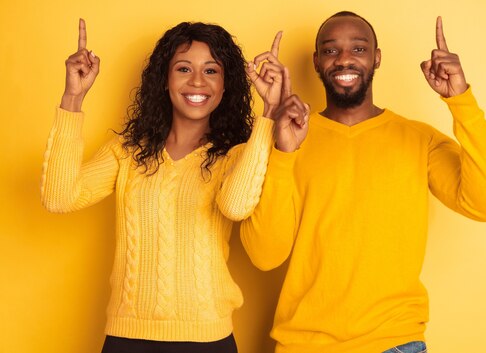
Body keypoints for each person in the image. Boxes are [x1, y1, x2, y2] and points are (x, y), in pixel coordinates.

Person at [240, 11, 486, 353]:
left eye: (358, 48)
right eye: (330, 50)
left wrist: (461, 101)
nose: (344, 59)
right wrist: (281, 152)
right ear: (316, 62)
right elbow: (264, 255)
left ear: (376, 58)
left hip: (393, 343)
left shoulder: (419, 139)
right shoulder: (289, 137)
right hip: (303, 345)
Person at [40, 19, 308, 353]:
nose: (197, 81)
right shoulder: (127, 152)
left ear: (226, 86)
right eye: (183, 68)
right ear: (164, 81)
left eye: (211, 71)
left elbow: (235, 206)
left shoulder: (239, 154)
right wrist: (73, 98)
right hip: (127, 339)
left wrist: (269, 113)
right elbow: (59, 197)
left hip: (207, 341)